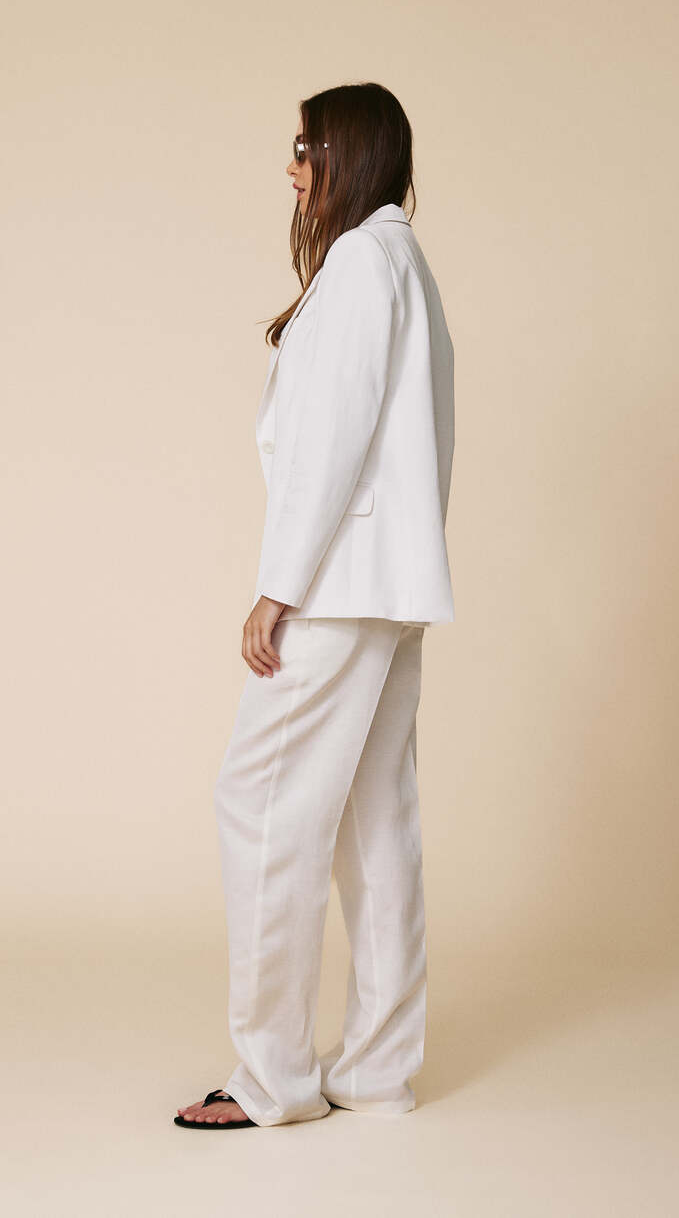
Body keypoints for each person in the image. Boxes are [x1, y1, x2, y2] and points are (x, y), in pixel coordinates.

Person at [175, 81, 455, 1130]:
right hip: (389, 584)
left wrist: (277, 589)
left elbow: (332, 445)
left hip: (337, 586)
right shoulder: (402, 261)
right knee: (375, 821)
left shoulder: (359, 265)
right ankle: (376, 1069)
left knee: (259, 802)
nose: (292, 169)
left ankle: (273, 1078)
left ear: (351, 154)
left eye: (307, 149)